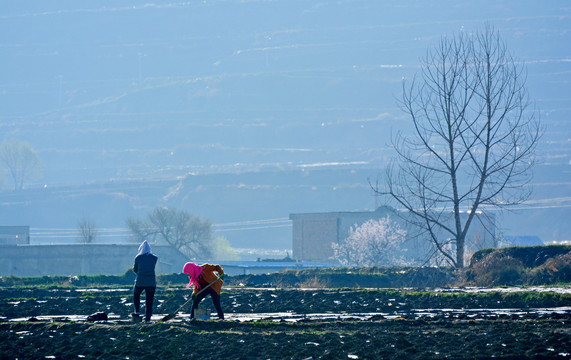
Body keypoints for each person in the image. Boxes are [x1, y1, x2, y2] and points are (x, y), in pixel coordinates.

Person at [132, 240, 158, 322]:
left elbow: (135, 269)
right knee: (149, 301)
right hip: (151, 282)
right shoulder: (154, 258)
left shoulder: (138, 258)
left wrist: (140, 274)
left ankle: (137, 311)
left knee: (136, 294)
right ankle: (147, 319)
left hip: (140, 281)